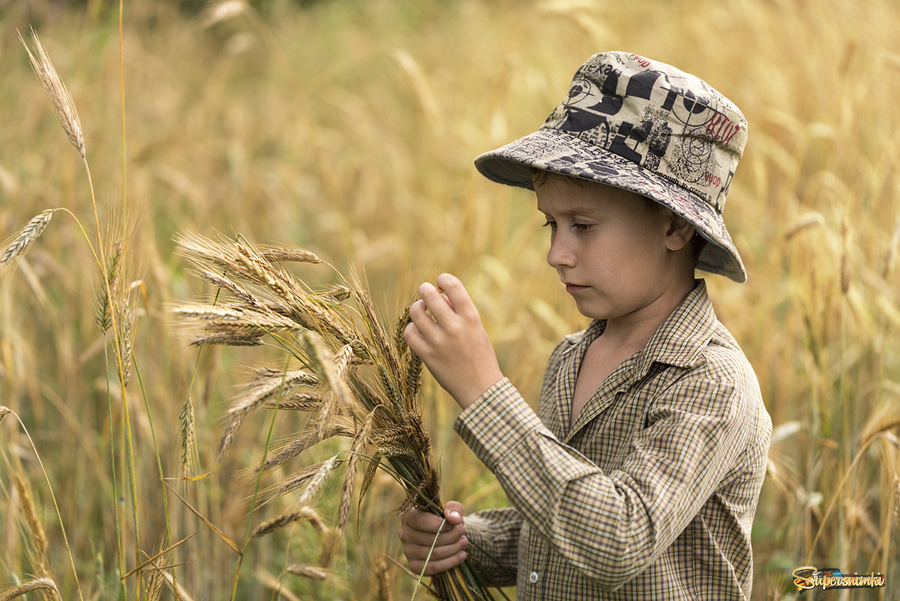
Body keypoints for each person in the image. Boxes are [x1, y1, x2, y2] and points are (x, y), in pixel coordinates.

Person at [401, 51, 771, 600]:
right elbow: (564, 521)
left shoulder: (712, 382)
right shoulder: (572, 359)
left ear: (673, 226)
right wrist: (467, 542)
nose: (557, 253)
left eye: (583, 225)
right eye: (552, 224)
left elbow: (621, 537)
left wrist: (483, 391)